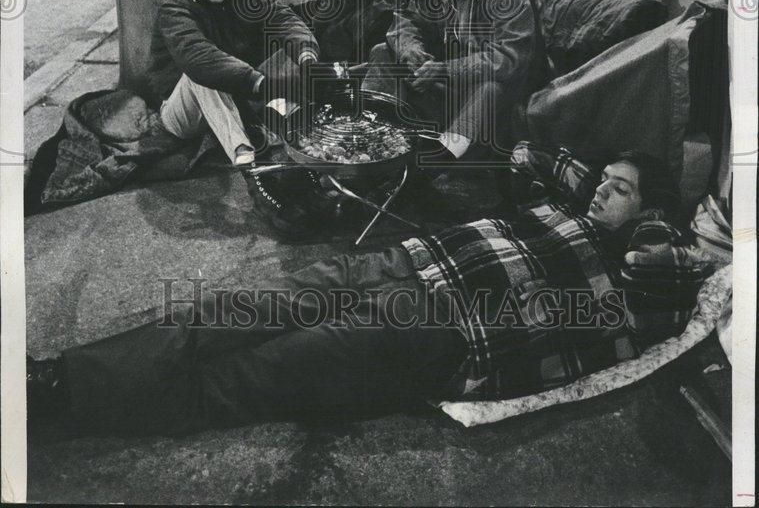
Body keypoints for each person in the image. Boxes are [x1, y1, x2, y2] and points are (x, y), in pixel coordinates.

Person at [27, 143, 706, 435]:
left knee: (253, 375)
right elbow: (536, 154)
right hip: (402, 262)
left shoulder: (636, 271)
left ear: (648, 211)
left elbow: (681, 271)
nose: (598, 192)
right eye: (601, 180)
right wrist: (591, 177)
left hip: (439, 330)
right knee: (224, 311)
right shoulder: (573, 204)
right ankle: (58, 376)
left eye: (618, 190)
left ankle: (76, 403)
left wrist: (652, 220)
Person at [141, 0, 323, 233]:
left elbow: (283, 19)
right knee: (205, 71)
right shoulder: (175, 0)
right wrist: (259, 83)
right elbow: (196, 56)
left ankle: (300, 148)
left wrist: (308, 59)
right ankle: (251, 169)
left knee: (289, 58)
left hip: (231, 94)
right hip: (180, 109)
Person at [362, 0, 548, 164]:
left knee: (489, 88)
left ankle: (435, 161)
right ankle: (372, 133)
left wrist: (446, 70)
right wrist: (413, 55)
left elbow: (511, 59)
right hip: (460, 78)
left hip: (512, 85)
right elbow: (405, 22)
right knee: (382, 51)